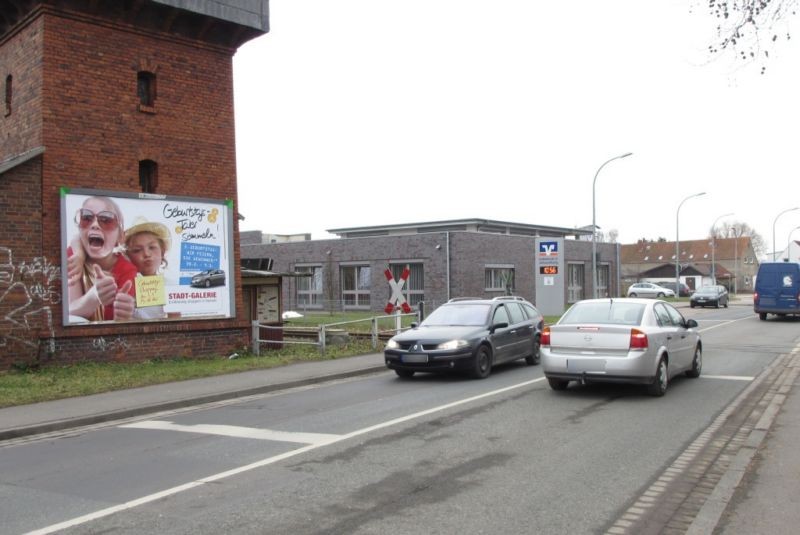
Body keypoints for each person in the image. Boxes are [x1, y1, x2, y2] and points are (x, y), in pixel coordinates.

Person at [67, 196, 137, 322]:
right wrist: (95, 296)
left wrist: (122, 316)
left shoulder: (127, 270)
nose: (94, 225)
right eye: (86, 218)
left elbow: (119, 323)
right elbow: (69, 313)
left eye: (106, 220)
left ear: (120, 236)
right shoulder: (74, 257)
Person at [124, 218, 171, 319]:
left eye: (152, 247)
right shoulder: (125, 289)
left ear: (162, 252)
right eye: (137, 250)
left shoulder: (172, 286)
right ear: (128, 257)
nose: (146, 254)